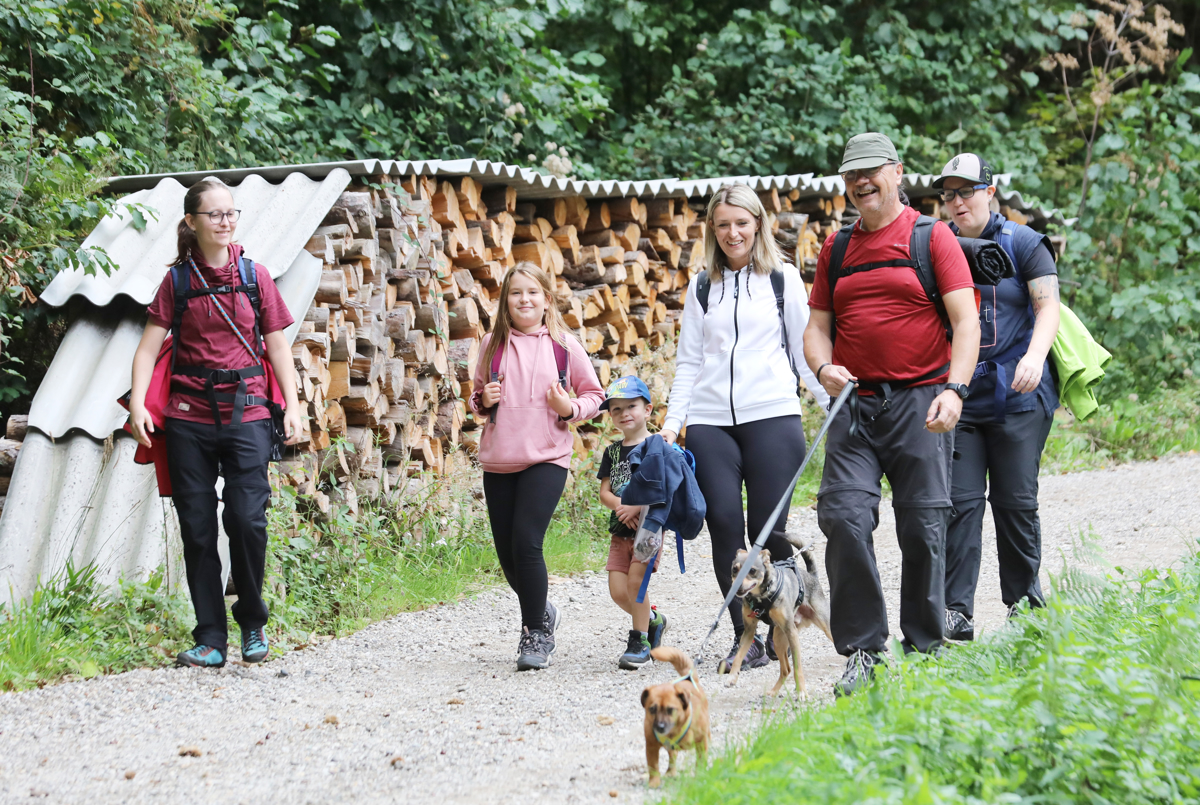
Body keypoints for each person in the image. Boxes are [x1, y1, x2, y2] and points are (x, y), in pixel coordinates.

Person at [802, 132, 981, 696]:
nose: (860, 182)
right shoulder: (836, 248)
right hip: (855, 405)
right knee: (843, 517)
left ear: (896, 172)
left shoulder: (933, 239)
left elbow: (966, 322)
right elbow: (816, 329)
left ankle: (925, 650)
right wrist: (822, 367)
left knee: (924, 525)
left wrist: (955, 390)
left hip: (922, 399)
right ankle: (864, 651)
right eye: (851, 174)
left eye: (870, 171)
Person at [128, 178, 303, 669]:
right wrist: (140, 403)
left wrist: (292, 404)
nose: (225, 222)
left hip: (247, 413)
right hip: (187, 418)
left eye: (231, 213)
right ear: (192, 222)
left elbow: (277, 345)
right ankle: (210, 637)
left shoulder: (255, 276)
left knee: (247, 520)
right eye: (215, 214)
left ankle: (252, 622)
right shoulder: (177, 282)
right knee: (199, 528)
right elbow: (147, 348)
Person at [660, 183, 829, 673]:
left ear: (758, 223)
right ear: (712, 229)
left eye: (741, 222)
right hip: (712, 424)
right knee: (727, 533)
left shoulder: (784, 281)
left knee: (769, 533)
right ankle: (746, 637)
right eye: (723, 224)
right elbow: (690, 362)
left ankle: (782, 627)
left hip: (774, 418)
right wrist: (673, 425)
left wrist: (833, 402)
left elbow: (803, 353)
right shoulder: (702, 286)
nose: (733, 232)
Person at [934, 153, 1061, 640]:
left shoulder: (1025, 242)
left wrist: (1034, 355)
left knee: (1015, 503)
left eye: (966, 191)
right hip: (961, 395)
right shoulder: (938, 245)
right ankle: (956, 611)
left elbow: (1047, 306)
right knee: (960, 504)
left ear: (990, 192)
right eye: (949, 194)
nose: (957, 202)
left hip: (1018, 393)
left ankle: (1025, 607)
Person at [468, 262, 605, 671]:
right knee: (507, 553)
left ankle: (535, 635)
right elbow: (476, 399)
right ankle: (543, 609)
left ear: (547, 299)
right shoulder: (492, 343)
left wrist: (570, 408)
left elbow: (594, 395)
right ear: (505, 302)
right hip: (499, 459)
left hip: (547, 456)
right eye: (516, 293)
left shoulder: (563, 344)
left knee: (527, 542)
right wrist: (484, 400)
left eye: (532, 292)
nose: (524, 300)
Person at [596, 375, 668, 669]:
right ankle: (652, 619)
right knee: (617, 591)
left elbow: (665, 487)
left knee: (637, 584)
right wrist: (621, 505)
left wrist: (637, 506)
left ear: (648, 409)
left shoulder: (657, 446)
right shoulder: (612, 452)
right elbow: (604, 492)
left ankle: (639, 641)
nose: (624, 414)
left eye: (632, 406)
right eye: (616, 409)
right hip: (619, 532)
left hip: (648, 529)